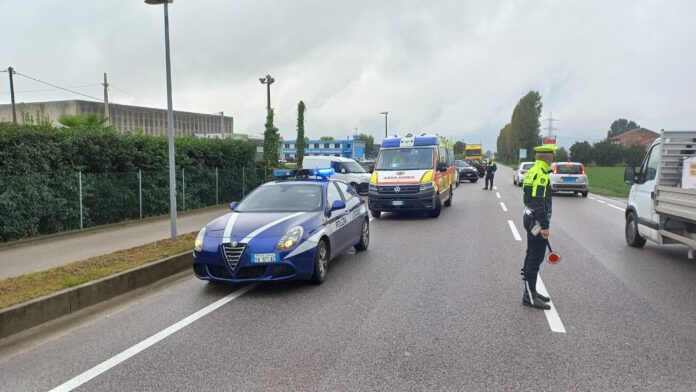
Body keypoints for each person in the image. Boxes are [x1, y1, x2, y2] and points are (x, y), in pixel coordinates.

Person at [521, 145, 556, 310]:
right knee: (535, 258)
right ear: (548, 158)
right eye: (553, 156)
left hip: (530, 217)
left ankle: (532, 291)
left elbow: (527, 199)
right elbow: (538, 202)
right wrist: (544, 225)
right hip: (536, 220)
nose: (553, 159)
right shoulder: (541, 175)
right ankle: (529, 296)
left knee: (532, 255)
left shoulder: (532, 171)